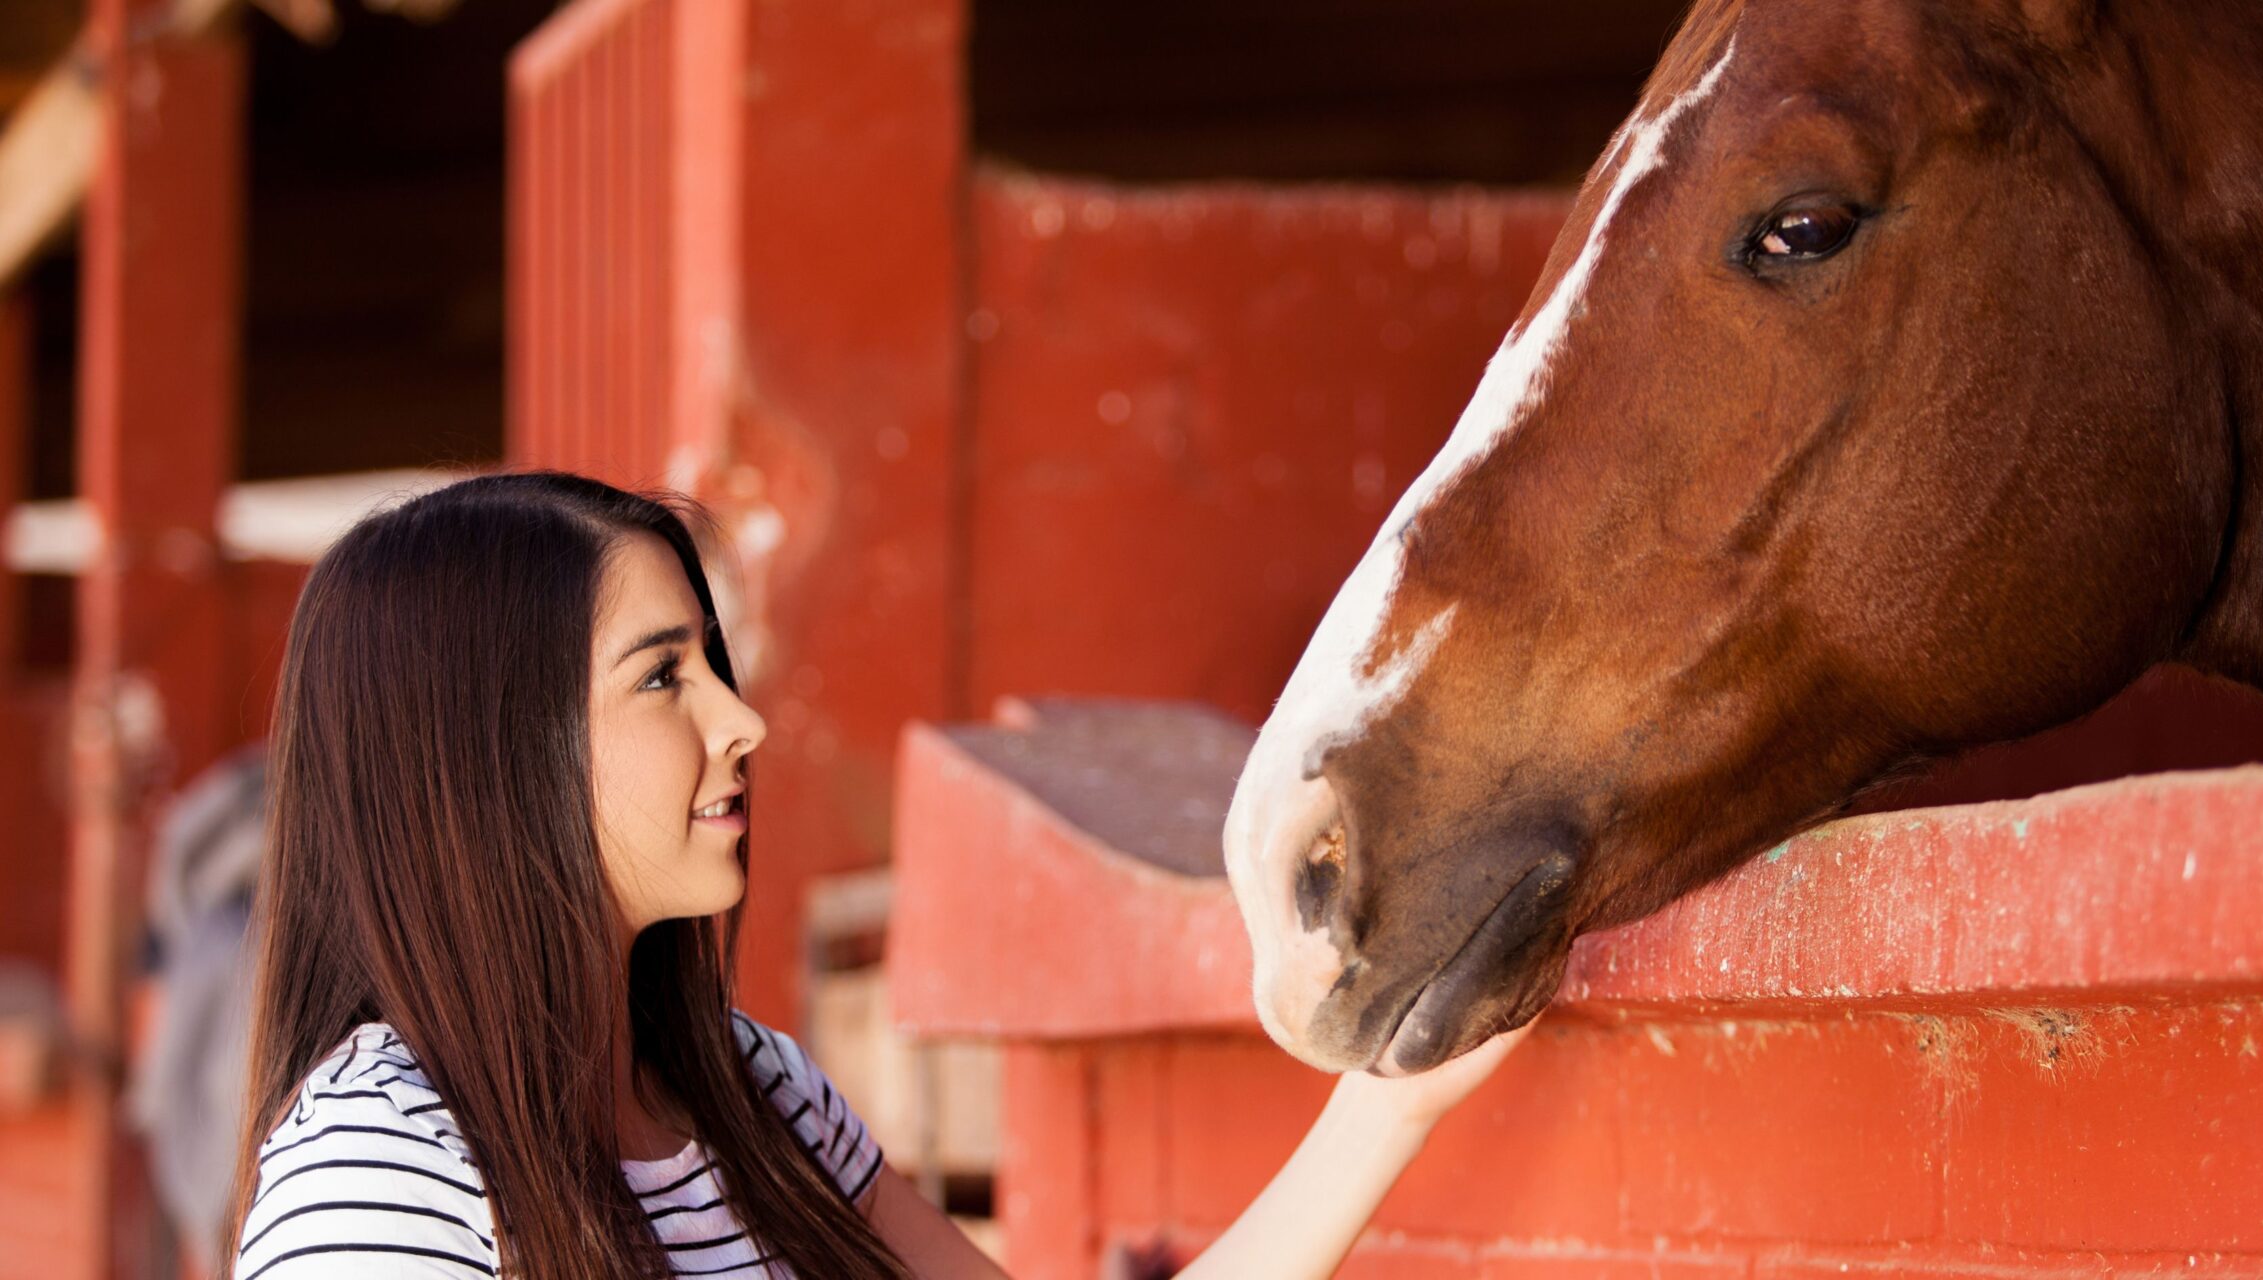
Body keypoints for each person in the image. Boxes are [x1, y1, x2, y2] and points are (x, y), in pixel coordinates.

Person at [225, 472, 1529, 1279]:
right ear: (490, 749)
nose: (741, 725)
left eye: (712, 667)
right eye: (662, 677)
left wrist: (1389, 1103)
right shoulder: (384, 1173)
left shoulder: (757, 1098)